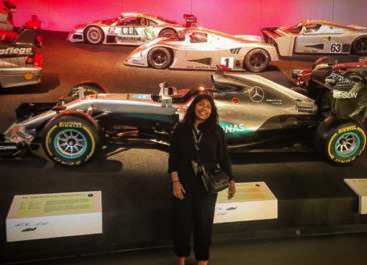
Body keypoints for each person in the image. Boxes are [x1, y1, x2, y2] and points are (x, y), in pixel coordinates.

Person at [168, 93, 236, 265]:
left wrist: (232, 180)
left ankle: (202, 260)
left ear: (212, 111)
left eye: (208, 107)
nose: (204, 109)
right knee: (181, 222)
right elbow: (173, 158)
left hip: (208, 185)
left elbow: (224, 157)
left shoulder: (216, 131)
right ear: (194, 106)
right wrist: (175, 182)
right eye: (201, 104)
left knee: (204, 223)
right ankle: (181, 258)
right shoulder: (180, 129)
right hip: (183, 183)